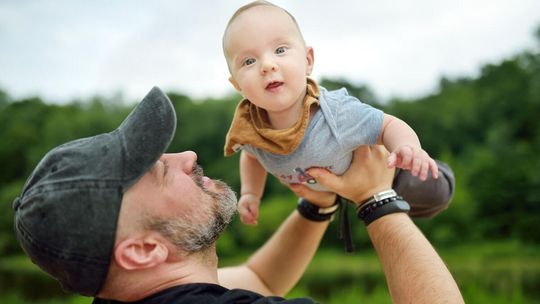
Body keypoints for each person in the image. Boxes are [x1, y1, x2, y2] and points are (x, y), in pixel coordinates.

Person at [13, 87, 463, 303]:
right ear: (144, 249)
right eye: (159, 171)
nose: (186, 155)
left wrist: (319, 203)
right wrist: (376, 197)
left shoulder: (128, 295)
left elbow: (262, 280)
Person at [222, 0, 455, 226]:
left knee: (437, 194)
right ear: (237, 85)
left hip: (392, 172)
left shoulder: (335, 112)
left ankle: (438, 176)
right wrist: (251, 193)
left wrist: (408, 147)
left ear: (308, 60)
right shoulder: (250, 130)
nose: (267, 65)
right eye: (249, 61)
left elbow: (387, 125)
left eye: (280, 50)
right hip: (337, 192)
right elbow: (252, 156)